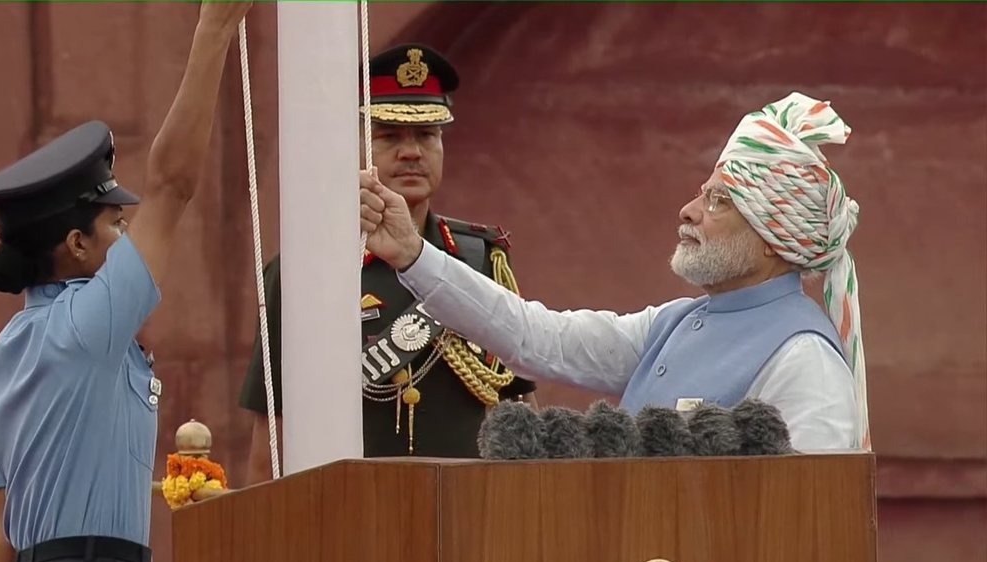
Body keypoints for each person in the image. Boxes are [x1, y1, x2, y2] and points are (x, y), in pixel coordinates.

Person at [360, 91, 870, 452]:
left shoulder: (805, 360)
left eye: (718, 201)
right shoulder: (672, 324)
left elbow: (803, 527)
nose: (688, 211)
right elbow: (535, 338)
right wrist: (413, 253)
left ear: (773, 237)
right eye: (702, 193)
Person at [0, 2, 251, 562]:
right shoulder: (87, 326)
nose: (128, 235)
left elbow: (7, 538)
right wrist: (215, 29)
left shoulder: (1, 355)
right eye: (115, 225)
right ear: (76, 245)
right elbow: (173, 185)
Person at [241, 44, 537, 482]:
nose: (411, 152)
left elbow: (520, 408)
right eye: (389, 136)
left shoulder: (481, 259)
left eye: (427, 136)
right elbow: (272, 437)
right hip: (353, 504)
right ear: (357, 148)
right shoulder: (305, 273)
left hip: (470, 506)